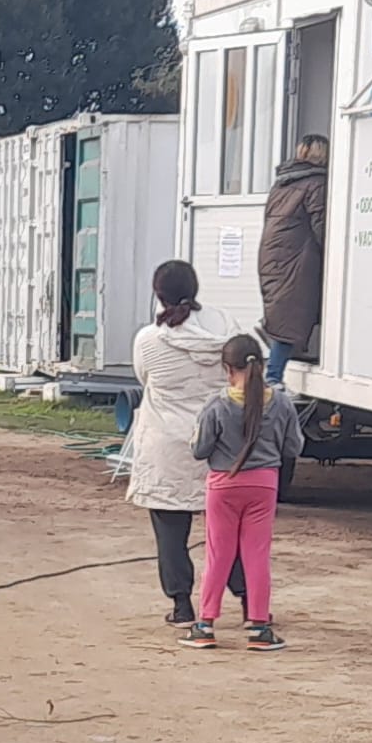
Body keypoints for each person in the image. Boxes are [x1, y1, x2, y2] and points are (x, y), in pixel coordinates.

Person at [124, 261, 248, 626]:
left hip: (166, 446)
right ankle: (246, 599)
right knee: (229, 530)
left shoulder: (149, 339)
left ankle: (181, 605)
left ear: (156, 293)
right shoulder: (226, 327)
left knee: (170, 531)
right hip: (220, 445)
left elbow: (144, 378)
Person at [183, 336, 304, 652]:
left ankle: (205, 624)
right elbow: (294, 446)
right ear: (262, 366)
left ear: (227, 369)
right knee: (257, 555)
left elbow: (199, 449)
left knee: (218, 555)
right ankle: (259, 627)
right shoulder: (281, 403)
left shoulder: (217, 405)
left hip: (224, 484)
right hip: (264, 484)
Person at [258, 134, 330, 387]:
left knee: (286, 313)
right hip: (296, 258)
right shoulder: (316, 183)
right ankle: (273, 377)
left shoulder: (282, 183)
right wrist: (334, 254)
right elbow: (321, 224)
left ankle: (273, 339)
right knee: (291, 317)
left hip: (273, 256)